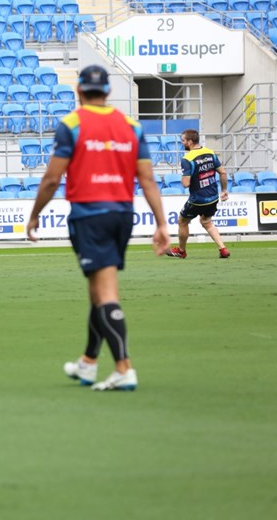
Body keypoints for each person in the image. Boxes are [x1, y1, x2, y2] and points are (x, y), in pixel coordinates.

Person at [26, 65, 170, 392]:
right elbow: (147, 179)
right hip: (122, 215)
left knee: (105, 294)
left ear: (79, 90)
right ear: (108, 91)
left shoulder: (71, 124)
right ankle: (89, 362)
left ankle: (123, 368)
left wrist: (35, 214)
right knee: (98, 291)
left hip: (90, 215)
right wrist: (161, 223)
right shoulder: (131, 126)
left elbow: (51, 178)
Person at [165, 129, 230, 259]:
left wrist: (183, 176)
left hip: (198, 199)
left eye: (183, 140)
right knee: (206, 222)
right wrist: (224, 190)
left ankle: (181, 251)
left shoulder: (187, 159)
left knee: (182, 221)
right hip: (213, 197)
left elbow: (186, 184)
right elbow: (223, 172)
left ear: (190, 141)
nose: (182, 143)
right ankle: (223, 249)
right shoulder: (210, 153)